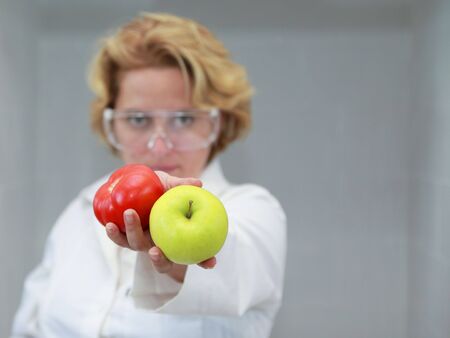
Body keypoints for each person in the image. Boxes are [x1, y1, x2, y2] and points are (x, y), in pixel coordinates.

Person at [11, 12, 287, 338]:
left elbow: (237, 266)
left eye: (183, 119)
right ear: (111, 124)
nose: (159, 145)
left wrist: (179, 259)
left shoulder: (254, 210)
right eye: (138, 120)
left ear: (218, 124)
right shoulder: (82, 210)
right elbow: (30, 325)